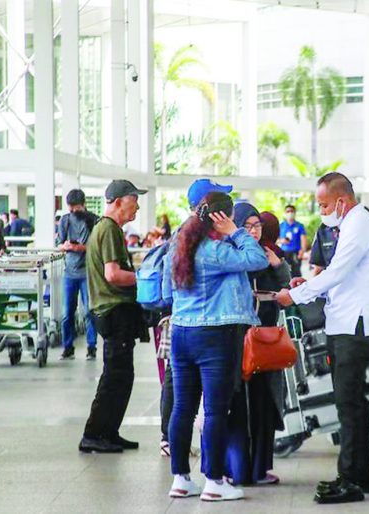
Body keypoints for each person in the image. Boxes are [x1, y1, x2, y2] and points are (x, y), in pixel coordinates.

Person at [275, 172, 369, 504]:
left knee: (348, 405)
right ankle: (361, 476)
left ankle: (350, 479)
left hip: (356, 325)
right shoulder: (350, 224)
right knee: (353, 405)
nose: (322, 211)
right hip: (346, 322)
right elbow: (335, 275)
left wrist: (297, 296)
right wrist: (304, 286)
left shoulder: (359, 224)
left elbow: (338, 272)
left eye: (324, 205)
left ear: (342, 200)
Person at [162, 192, 268, 502]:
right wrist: (234, 232)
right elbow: (257, 259)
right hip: (213, 336)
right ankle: (214, 481)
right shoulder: (215, 251)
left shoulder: (177, 249)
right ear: (221, 218)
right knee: (215, 411)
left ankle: (180, 478)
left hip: (181, 332)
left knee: (182, 407)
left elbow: (167, 291)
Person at [158, 178, 234, 456]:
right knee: (178, 385)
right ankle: (168, 438)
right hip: (190, 320)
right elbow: (170, 276)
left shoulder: (191, 233)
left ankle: (173, 448)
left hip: (183, 318)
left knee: (179, 385)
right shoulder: (188, 235)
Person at [79, 179, 149, 454]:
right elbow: (113, 274)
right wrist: (145, 278)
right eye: (134, 200)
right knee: (115, 376)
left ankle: (109, 431)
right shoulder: (108, 229)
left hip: (111, 310)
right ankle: (94, 434)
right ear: (119, 201)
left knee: (122, 376)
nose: (138, 206)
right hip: (112, 309)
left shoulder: (108, 228)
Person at [225, 203, 290, 486]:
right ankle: (236, 469)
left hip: (265, 341)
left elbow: (288, 287)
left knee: (264, 403)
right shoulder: (229, 254)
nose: (253, 231)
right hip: (236, 339)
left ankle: (259, 468)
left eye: (257, 225)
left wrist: (278, 265)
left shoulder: (269, 255)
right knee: (236, 405)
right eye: (247, 226)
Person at [57, 189, 99, 361]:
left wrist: (79, 248)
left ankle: (91, 346)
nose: (74, 210)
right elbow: (59, 244)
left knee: (90, 311)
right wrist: (66, 246)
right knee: (68, 312)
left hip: (87, 272)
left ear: (83, 204)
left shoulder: (93, 220)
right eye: (71, 207)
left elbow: (96, 246)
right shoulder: (65, 220)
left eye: (77, 206)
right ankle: (68, 347)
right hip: (70, 272)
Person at [278, 205, 307, 278]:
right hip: (284, 252)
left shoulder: (300, 226)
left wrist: (302, 250)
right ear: (285, 213)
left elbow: (303, 239)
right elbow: (276, 240)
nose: (290, 213)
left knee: (296, 272)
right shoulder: (281, 226)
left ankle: (298, 287)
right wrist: (282, 241)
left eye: (292, 211)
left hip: (296, 252)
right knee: (285, 272)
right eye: (288, 211)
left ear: (295, 213)